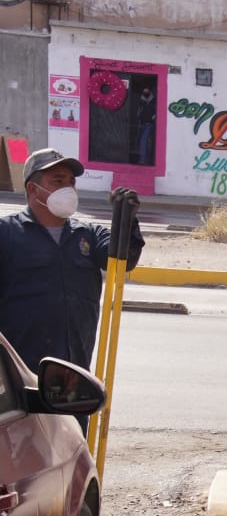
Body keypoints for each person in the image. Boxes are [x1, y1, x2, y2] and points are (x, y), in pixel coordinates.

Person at [0, 147, 144, 396]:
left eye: (71, 182)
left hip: (74, 375)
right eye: (57, 181)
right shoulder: (7, 233)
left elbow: (123, 259)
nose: (68, 188)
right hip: (18, 379)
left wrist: (127, 220)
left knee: (73, 435)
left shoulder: (88, 234)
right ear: (33, 189)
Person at [136, 87, 156, 165]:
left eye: (147, 91)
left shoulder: (153, 101)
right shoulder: (141, 101)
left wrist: (153, 118)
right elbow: (139, 112)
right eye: (144, 91)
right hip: (142, 123)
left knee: (143, 140)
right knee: (141, 141)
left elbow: (156, 112)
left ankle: (143, 159)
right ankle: (144, 158)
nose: (146, 93)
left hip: (149, 124)